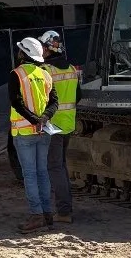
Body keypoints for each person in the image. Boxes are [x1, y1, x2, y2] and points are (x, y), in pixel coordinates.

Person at [9, 36, 57, 233]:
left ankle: (36, 215)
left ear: (23, 53)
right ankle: (47, 214)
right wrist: (43, 118)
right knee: (42, 173)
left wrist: (33, 119)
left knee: (29, 174)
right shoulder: (45, 74)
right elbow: (54, 102)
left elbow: (16, 102)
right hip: (43, 131)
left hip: (24, 131)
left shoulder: (17, 74)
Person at [40, 30, 80, 225]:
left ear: (47, 49)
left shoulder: (47, 71)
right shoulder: (72, 69)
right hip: (68, 124)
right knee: (61, 166)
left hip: (52, 126)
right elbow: (77, 96)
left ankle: (64, 212)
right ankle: (65, 208)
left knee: (55, 168)